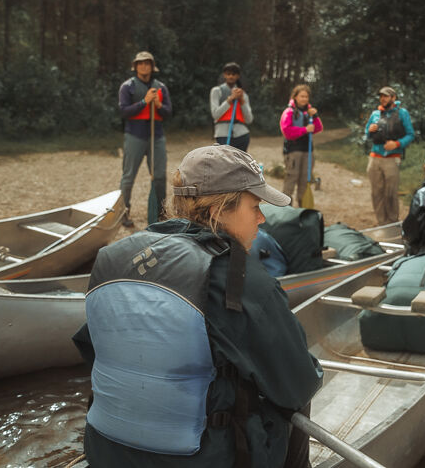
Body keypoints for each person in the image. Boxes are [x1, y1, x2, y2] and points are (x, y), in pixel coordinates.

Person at [72, 144, 323, 467]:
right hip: (200, 460)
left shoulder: (113, 259)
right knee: (294, 400)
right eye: (255, 206)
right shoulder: (239, 277)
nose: (262, 218)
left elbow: (90, 348)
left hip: (104, 452)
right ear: (219, 210)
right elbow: (298, 383)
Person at [118, 51, 173, 226]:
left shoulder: (161, 87)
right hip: (135, 135)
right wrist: (144, 101)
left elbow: (168, 112)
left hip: (156, 136)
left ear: (151, 66)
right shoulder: (128, 87)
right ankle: (123, 213)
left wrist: (158, 105)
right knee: (128, 177)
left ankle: (159, 214)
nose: (144, 66)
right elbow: (124, 111)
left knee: (159, 176)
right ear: (135, 66)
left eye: (147, 63)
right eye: (140, 63)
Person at [364, 86, 414, 225]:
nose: (382, 99)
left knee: (390, 193)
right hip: (375, 158)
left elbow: (411, 135)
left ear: (393, 98)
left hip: (392, 159)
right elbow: (367, 135)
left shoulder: (402, 113)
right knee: (376, 193)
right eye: (381, 96)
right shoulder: (375, 114)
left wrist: (397, 144)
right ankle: (381, 223)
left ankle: (392, 223)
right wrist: (369, 130)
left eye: (386, 96)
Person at [280, 84, 323, 205]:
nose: (304, 99)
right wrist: (305, 130)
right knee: (291, 180)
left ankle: (302, 209)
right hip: (293, 151)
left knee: (305, 181)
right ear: (295, 97)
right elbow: (287, 131)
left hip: (307, 151)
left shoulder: (309, 112)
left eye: (306, 96)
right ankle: (285, 208)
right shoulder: (289, 112)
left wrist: (315, 116)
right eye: (302, 96)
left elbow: (318, 128)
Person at [210, 62, 253, 152]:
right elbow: (215, 114)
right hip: (223, 135)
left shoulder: (243, 94)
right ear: (224, 75)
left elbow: (249, 119)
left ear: (237, 76)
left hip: (242, 135)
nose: (231, 76)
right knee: (225, 164)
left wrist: (242, 102)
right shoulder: (216, 91)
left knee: (240, 165)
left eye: (234, 74)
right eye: (228, 74)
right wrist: (229, 100)